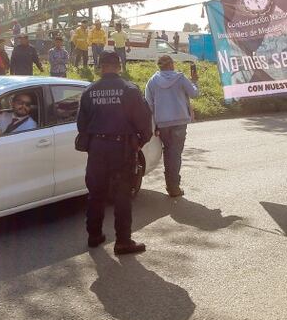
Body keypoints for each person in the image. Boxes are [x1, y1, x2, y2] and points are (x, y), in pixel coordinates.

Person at [76, 51, 153, 255]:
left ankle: (94, 236)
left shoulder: (89, 91)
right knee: (122, 195)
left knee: (96, 194)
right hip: (122, 149)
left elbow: (81, 124)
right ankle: (123, 242)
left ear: (100, 67)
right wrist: (140, 142)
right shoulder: (130, 90)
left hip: (97, 149)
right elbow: (144, 122)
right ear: (119, 66)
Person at [145, 55, 199, 198]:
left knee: (169, 153)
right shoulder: (180, 78)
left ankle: (171, 183)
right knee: (175, 154)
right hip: (180, 122)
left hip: (162, 123)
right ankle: (173, 186)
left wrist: (153, 124)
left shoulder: (152, 81)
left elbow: (148, 105)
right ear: (171, 64)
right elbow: (194, 94)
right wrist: (194, 81)